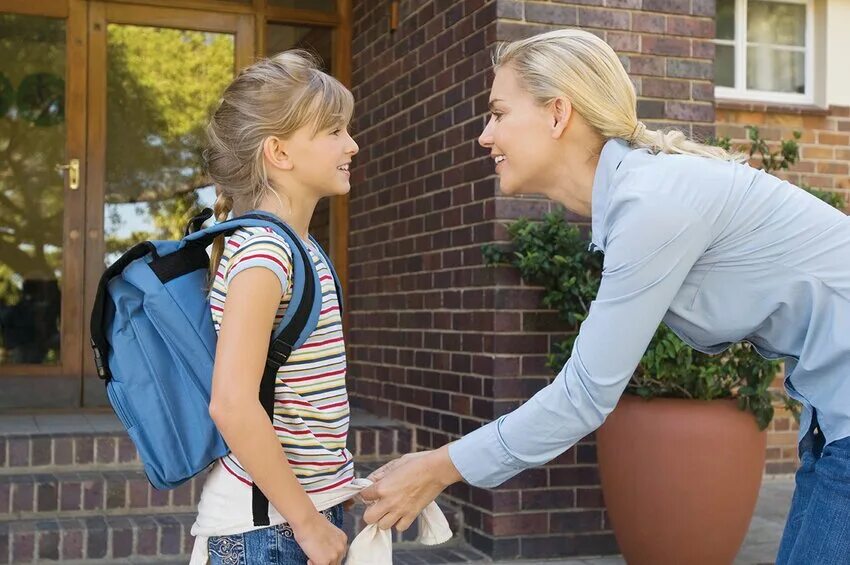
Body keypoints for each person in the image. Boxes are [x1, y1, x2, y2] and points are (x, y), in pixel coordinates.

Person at [360, 29, 850, 565]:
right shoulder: (637, 200)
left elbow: (583, 397)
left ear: (557, 114)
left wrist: (438, 468)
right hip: (831, 418)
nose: (484, 135)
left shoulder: (651, 205)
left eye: (498, 113)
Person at [189, 50, 358, 565]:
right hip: (271, 530)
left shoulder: (298, 246)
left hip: (299, 515)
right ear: (279, 152)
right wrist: (309, 525)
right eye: (333, 132)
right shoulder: (266, 251)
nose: (352, 144)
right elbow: (233, 402)